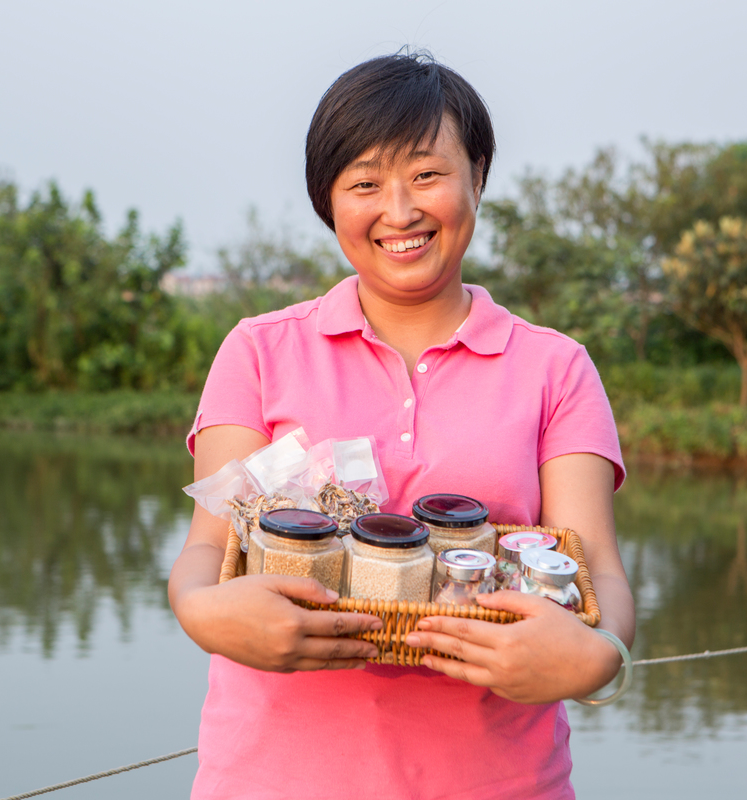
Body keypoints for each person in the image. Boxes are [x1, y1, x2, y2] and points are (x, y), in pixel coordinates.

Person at [168, 52, 634, 799]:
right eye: (364, 183)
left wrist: (597, 656)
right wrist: (202, 613)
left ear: (477, 176)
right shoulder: (258, 350)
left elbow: (597, 570)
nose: (399, 209)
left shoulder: (557, 368)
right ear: (329, 201)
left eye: (425, 173)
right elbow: (206, 555)